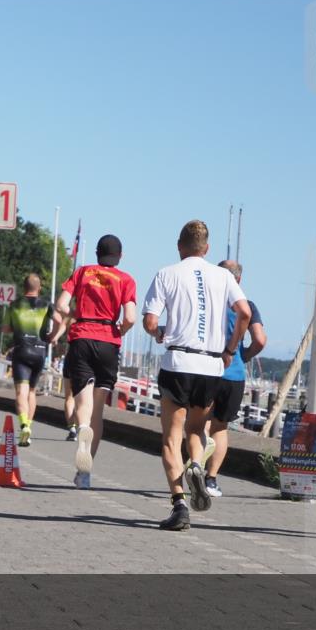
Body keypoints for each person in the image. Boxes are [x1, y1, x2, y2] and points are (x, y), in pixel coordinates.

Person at [142, 220, 250, 531]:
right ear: (207, 249)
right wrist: (230, 349)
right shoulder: (224, 276)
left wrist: (159, 332)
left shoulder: (167, 273)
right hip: (211, 367)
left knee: (170, 439)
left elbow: (150, 321)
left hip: (178, 363)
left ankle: (179, 505)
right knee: (196, 429)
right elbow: (244, 312)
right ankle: (199, 467)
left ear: (180, 245)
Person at [52, 235, 137, 488]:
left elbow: (60, 305)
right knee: (98, 408)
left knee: (83, 403)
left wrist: (79, 313)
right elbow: (130, 317)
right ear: (119, 256)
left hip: (82, 339)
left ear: (98, 253)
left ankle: (83, 427)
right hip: (108, 341)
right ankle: (84, 473)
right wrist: (118, 331)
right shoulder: (126, 279)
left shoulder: (82, 272)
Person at [204, 260, 266, 498]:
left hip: (207, 369)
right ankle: (211, 480)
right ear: (238, 280)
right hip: (235, 374)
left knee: (201, 424)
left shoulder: (209, 303)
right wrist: (244, 355)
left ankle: (196, 467)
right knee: (220, 428)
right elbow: (260, 340)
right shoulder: (247, 306)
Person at [1, 274, 55, 447]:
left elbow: (5, 329)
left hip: (22, 350)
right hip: (40, 352)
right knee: (32, 392)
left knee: (21, 392)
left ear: (23, 287)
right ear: (39, 288)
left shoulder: (14, 305)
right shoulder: (47, 305)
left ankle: (24, 424)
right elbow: (62, 320)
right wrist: (52, 336)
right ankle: (29, 427)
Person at [48, 320, 78, 440]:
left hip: (73, 356)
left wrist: (55, 337)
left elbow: (63, 325)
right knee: (85, 398)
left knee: (69, 397)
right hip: (90, 358)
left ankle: (72, 429)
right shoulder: (96, 314)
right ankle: (83, 426)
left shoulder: (72, 315)